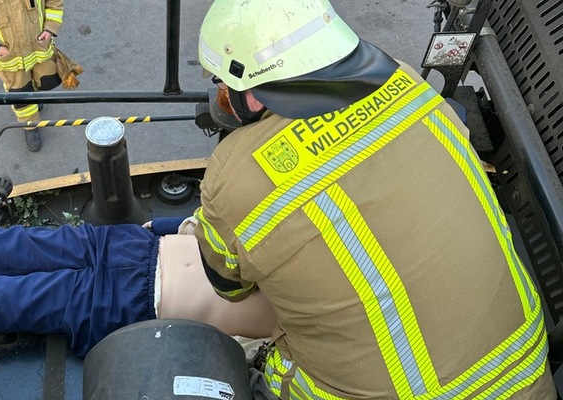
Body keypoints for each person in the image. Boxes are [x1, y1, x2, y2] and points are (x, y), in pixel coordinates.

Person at [193, 0, 555, 399]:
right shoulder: (406, 81)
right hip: (527, 375)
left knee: (260, 368)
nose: (222, 97)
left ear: (257, 97)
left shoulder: (234, 175)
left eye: (224, 88)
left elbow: (230, 289)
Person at [0, 197, 276, 358]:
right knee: (15, 246)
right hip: (137, 247)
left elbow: (228, 355)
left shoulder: (310, 343)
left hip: (132, 303)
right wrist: (166, 227)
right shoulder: (322, 260)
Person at [0, 0, 83, 152]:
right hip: (9, 59)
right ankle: (30, 126)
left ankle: (35, 98)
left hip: (38, 47)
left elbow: (54, 2)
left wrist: (50, 27)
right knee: (20, 94)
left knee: (45, 80)